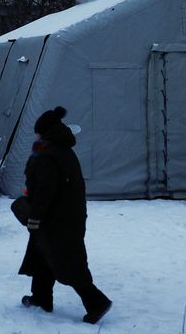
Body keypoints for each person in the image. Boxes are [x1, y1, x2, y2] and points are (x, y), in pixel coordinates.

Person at [17, 106, 112, 324]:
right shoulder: (60, 150)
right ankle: (41, 298)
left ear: (44, 131)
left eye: (37, 132)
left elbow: (45, 191)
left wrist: (35, 216)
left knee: (68, 262)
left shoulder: (49, 155)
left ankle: (96, 302)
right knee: (42, 255)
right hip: (65, 217)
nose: (35, 135)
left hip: (58, 220)